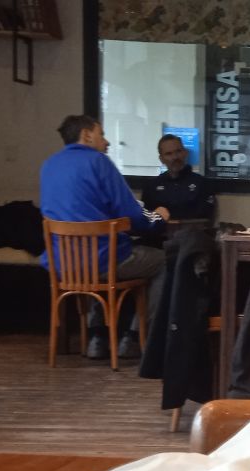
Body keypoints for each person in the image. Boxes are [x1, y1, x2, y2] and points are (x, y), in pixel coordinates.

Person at [39, 115, 168, 360]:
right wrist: (159, 218)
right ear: (87, 135)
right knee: (165, 262)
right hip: (101, 261)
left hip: (62, 264)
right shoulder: (99, 162)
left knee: (98, 261)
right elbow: (132, 214)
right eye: (102, 134)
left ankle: (96, 336)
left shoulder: (49, 165)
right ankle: (136, 337)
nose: (107, 142)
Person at [141, 134, 216, 223]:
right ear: (161, 159)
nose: (175, 157)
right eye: (169, 154)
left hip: (192, 231)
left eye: (178, 151)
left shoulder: (202, 184)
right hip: (160, 231)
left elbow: (205, 217)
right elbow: (145, 219)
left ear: (185, 153)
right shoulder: (152, 187)